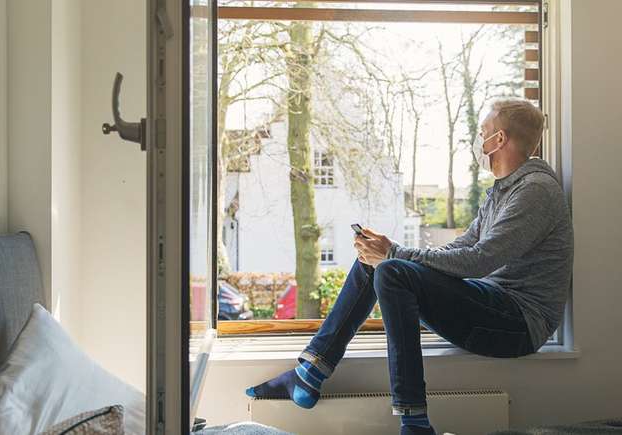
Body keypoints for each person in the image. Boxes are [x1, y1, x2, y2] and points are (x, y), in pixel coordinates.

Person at [245, 99, 574, 435]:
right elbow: (462, 247)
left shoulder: (535, 192)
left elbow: (479, 260)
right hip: (492, 307)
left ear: (499, 140)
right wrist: (394, 253)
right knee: (377, 262)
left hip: (518, 324)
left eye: (483, 133)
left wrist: (397, 255)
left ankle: (414, 421)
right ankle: (310, 373)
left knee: (390, 266)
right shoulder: (503, 191)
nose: (478, 140)